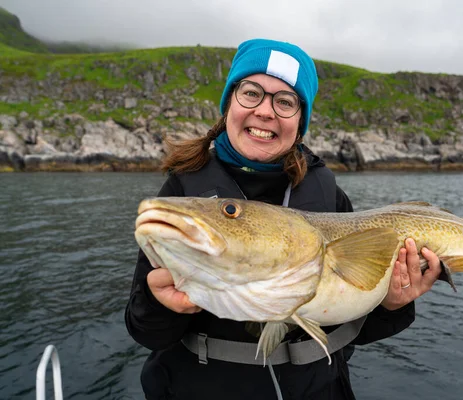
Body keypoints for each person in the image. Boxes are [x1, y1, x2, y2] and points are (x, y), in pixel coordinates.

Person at [125, 38, 442, 400]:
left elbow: (350, 325)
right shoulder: (183, 195)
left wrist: (391, 304)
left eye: (285, 101)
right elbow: (145, 331)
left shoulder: (328, 195)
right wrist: (158, 304)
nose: (265, 111)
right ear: (229, 103)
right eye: (251, 93)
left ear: (300, 122)